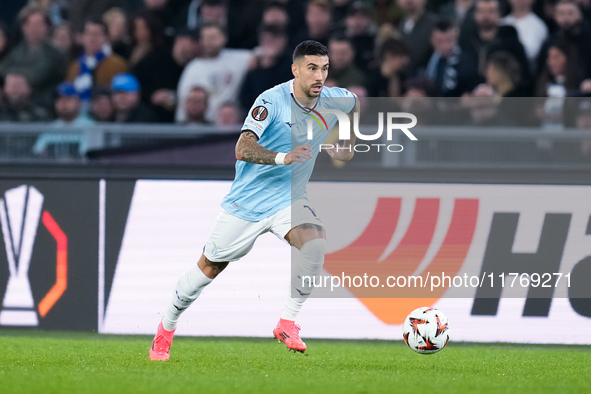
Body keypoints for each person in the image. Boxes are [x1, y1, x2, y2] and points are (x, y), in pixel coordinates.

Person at [149, 40, 358, 361]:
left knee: (315, 245)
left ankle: (287, 322)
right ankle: (165, 330)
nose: (320, 76)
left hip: (289, 200)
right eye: (312, 68)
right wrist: (282, 157)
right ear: (296, 70)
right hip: (246, 204)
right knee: (209, 268)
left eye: (325, 69)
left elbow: (352, 106)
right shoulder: (271, 101)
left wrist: (345, 142)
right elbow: (242, 148)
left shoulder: (337, 99)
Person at [175, 22, 251, 123]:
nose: (208, 42)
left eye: (213, 37)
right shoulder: (193, 67)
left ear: (224, 38)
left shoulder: (239, 59)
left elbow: (263, 54)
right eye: (205, 38)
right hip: (202, 126)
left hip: (227, 126)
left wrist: (256, 60)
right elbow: (183, 100)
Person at [0, 5, 65, 111]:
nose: (34, 28)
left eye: (38, 24)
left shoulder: (54, 52)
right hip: (13, 103)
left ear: (46, 26)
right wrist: (12, 78)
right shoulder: (18, 49)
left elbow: (39, 74)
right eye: (30, 24)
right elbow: (3, 67)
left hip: (44, 102)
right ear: (23, 27)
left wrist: (16, 78)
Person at [66, 19, 127, 102]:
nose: (92, 38)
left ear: (106, 37)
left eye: (97, 34)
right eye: (89, 33)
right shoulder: (74, 67)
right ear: (82, 37)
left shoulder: (118, 65)